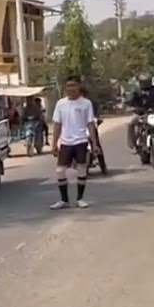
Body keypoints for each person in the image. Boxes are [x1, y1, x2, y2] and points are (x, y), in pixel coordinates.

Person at [50, 76, 101, 211]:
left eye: (73, 85)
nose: (70, 88)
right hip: (66, 142)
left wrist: (95, 144)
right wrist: (54, 143)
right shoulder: (61, 104)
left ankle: (80, 198)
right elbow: (57, 125)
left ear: (79, 87)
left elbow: (90, 124)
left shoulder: (86, 103)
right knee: (60, 171)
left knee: (81, 169)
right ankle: (64, 200)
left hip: (81, 141)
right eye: (68, 86)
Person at [125, 75, 154, 151]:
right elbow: (129, 99)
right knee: (130, 123)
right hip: (139, 113)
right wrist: (129, 104)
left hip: (152, 112)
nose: (147, 84)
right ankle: (133, 144)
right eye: (145, 82)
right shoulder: (136, 90)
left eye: (148, 81)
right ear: (141, 82)